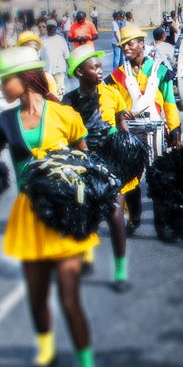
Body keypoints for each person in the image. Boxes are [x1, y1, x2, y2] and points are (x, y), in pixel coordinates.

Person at [0, 46, 102, 367]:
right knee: (36, 297)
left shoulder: (64, 115)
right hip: (29, 216)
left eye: (5, 80)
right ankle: (46, 355)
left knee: (69, 298)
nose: (2, 88)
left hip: (65, 216)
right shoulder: (4, 122)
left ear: (24, 79)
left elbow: (87, 158)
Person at [63, 45, 132, 292]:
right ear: (80, 73)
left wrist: (128, 149)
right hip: (82, 163)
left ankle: (121, 271)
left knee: (115, 216)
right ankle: (88, 252)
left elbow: (122, 123)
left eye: (100, 66)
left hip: (112, 162)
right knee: (84, 210)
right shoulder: (69, 101)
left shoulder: (112, 94)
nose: (100, 71)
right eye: (94, 68)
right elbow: (66, 134)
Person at [107, 25, 182, 243]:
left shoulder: (159, 71)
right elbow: (111, 103)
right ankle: (134, 219)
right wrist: (121, 113)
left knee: (158, 179)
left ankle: (162, 225)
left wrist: (175, 134)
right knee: (130, 180)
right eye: (123, 45)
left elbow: (169, 103)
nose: (126, 49)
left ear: (142, 43)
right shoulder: (117, 75)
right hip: (129, 132)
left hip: (155, 130)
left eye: (130, 44)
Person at [16, 31, 59, 96]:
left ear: (38, 52)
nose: (30, 53)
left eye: (34, 50)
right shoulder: (14, 79)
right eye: (26, 50)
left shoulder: (47, 79)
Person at [40, 19, 70, 97]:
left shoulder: (61, 40)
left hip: (59, 70)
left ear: (56, 28)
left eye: (53, 27)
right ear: (46, 28)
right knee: (48, 93)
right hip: (46, 72)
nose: (51, 29)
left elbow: (66, 56)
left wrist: (69, 69)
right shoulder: (42, 41)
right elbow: (39, 57)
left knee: (59, 93)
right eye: (49, 27)